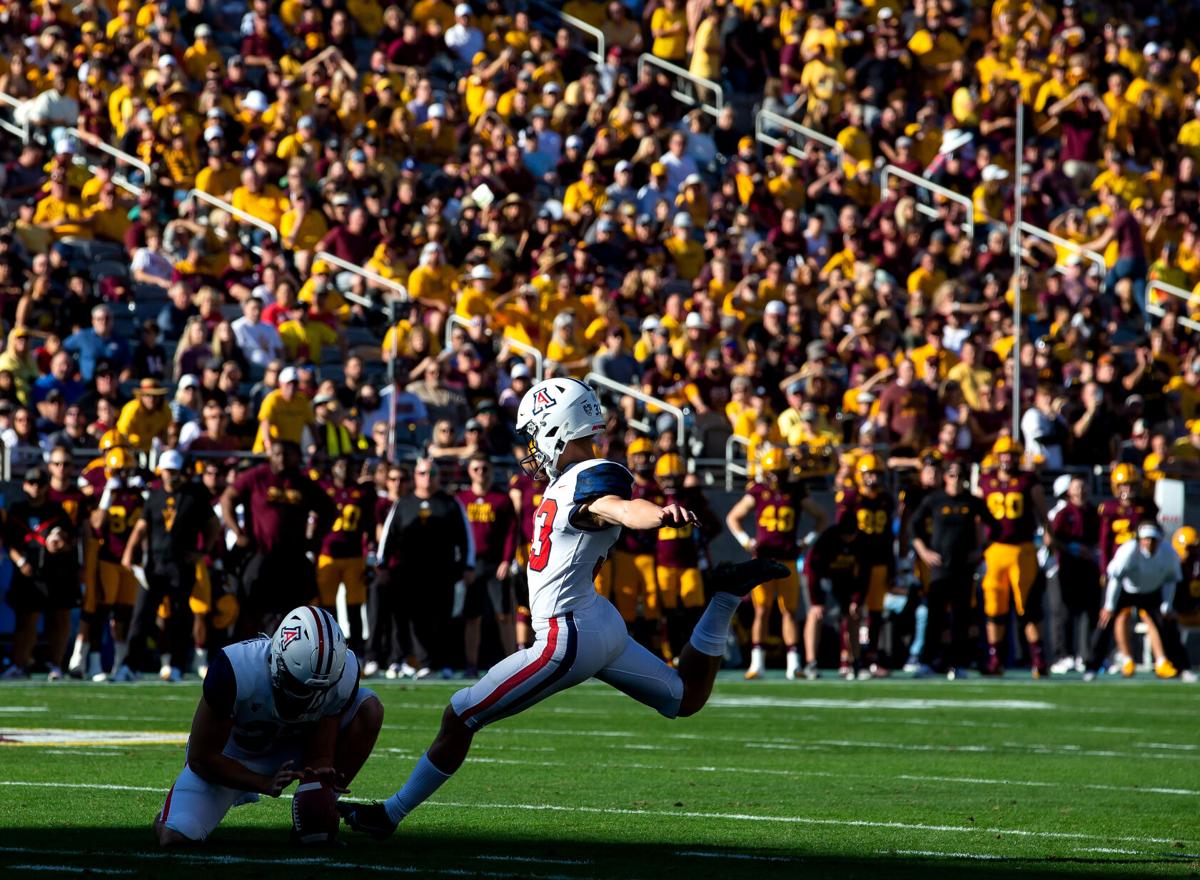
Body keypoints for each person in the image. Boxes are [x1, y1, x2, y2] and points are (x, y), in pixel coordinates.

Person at [339, 377, 785, 838]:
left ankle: (388, 815)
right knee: (685, 697)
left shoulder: (589, 479)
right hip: (599, 621)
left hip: (565, 636)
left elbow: (618, 508)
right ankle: (725, 597)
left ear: (557, 428)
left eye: (536, 433)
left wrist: (656, 514)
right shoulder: (570, 479)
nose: (532, 446)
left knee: (460, 715)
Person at [154, 607, 384, 845]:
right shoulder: (236, 669)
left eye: (319, 690)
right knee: (176, 836)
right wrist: (263, 782)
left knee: (369, 708)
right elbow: (201, 758)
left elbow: (322, 746)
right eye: (300, 687)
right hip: (233, 755)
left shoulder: (343, 675)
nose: (309, 699)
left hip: (294, 745)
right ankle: (170, 814)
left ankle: (319, 810)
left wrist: (319, 784)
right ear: (277, 662)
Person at [726, 447, 827, 680]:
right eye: (773, 473)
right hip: (763, 560)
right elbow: (733, 517)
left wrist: (808, 540)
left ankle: (793, 664)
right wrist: (745, 540)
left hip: (788, 559)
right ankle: (757, 664)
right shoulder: (757, 491)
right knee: (762, 610)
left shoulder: (796, 490)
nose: (776, 478)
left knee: (789, 611)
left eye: (780, 473)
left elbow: (822, 517)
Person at [123, 449, 221, 681]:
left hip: (180, 565)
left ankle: (177, 665)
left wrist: (202, 551)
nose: (171, 475)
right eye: (167, 470)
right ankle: (129, 665)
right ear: (161, 471)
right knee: (142, 614)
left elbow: (213, 525)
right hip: (154, 565)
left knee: (180, 615)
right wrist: (129, 552)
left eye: (174, 471)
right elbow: (141, 527)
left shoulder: (194, 496)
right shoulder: (154, 496)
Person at [220, 441, 335, 635]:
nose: (282, 459)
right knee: (250, 605)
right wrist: (238, 532)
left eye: (287, 455)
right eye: (277, 454)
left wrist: (314, 539)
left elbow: (329, 510)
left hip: (293, 556)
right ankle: (248, 648)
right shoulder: (256, 477)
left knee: (299, 608)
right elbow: (227, 498)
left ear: (297, 458)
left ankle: (291, 648)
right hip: (261, 553)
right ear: (270, 456)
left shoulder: (303, 482)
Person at [375, 458, 473, 678]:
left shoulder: (450, 503)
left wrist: (468, 565)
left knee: (442, 619)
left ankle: (441, 663)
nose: (427, 478)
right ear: (415, 477)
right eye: (422, 473)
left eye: (431, 473)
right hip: (409, 573)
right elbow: (388, 536)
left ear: (439, 477)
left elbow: (465, 536)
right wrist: (382, 564)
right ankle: (409, 661)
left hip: (442, 573)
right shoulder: (403, 503)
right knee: (408, 619)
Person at [976, 437, 1053, 677]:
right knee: (994, 607)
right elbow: (977, 517)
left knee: (1028, 607)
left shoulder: (1028, 480)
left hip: (1023, 549)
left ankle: (1038, 658)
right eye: (1003, 454)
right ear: (997, 457)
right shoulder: (985, 481)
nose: (1007, 459)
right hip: (995, 550)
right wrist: (978, 547)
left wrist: (1048, 536)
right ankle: (995, 659)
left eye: (1011, 454)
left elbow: (1042, 512)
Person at [909, 459, 987, 679]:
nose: (956, 480)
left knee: (961, 617)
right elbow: (913, 527)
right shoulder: (934, 500)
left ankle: (957, 663)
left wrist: (981, 551)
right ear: (945, 477)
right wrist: (924, 552)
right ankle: (927, 661)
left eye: (960, 476)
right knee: (934, 616)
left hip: (963, 567)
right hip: (940, 568)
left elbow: (995, 526)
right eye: (952, 475)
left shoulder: (972, 501)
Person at [1, 466, 78, 680]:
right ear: (25, 485)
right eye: (32, 483)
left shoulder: (56, 510)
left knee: (58, 619)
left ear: (46, 487)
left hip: (55, 571)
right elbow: (8, 541)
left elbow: (71, 538)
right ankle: (20, 663)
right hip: (28, 573)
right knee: (26, 620)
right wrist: (21, 561)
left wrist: (60, 541)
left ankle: (56, 665)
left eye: (40, 484)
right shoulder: (17, 510)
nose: (36, 488)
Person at [1083, 523, 1187, 681]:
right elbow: (1115, 578)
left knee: (1167, 624)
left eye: (1153, 540)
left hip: (1152, 591)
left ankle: (1182, 668)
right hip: (1125, 590)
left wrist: (1166, 606)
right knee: (1105, 623)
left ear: (1159, 541)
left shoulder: (1168, 553)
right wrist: (1109, 605)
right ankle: (1092, 667)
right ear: (1139, 540)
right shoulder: (1128, 551)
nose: (1149, 543)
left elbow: (1171, 579)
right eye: (1146, 539)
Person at [653, 453, 721, 661]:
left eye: (675, 478)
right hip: (664, 565)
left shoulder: (692, 499)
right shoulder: (652, 497)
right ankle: (671, 654)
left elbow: (714, 525)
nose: (670, 482)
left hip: (689, 563)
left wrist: (700, 542)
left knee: (694, 611)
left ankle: (693, 653)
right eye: (666, 478)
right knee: (669, 613)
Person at [456, 454, 518, 675]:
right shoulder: (461, 499)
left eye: (485, 468)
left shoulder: (502, 499)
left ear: (491, 470)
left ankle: (514, 665)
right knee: (472, 617)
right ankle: (471, 665)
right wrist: (463, 564)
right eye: (476, 468)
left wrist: (506, 560)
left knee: (504, 615)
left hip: (495, 564)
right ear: (470, 471)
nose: (481, 472)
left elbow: (512, 532)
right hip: (472, 565)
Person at [834, 453, 896, 675]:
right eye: (869, 474)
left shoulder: (886, 499)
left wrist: (892, 563)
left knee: (875, 613)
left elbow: (889, 534)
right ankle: (847, 656)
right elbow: (841, 529)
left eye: (877, 474)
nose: (873, 479)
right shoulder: (851, 497)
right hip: (857, 563)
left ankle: (871, 657)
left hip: (879, 560)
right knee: (852, 610)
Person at [88, 446, 146, 682]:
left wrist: (144, 493)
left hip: (131, 562)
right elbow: (96, 523)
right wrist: (107, 495)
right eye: (118, 470)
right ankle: (94, 663)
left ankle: (120, 665)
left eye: (126, 470)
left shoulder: (138, 494)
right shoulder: (103, 492)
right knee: (102, 611)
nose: (123, 475)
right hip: (108, 559)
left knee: (125, 613)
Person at [599, 438, 665, 647]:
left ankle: (656, 649)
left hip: (651, 554)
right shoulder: (623, 484)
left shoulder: (659, 487)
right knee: (624, 601)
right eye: (639, 456)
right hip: (625, 552)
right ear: (630, 458)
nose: (643, 460)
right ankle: (624, 646)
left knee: (653, 603)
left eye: (646, 455)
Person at [316, 457, 376, 655]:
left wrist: (371, 552)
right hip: (328, 555)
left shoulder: (363, 492)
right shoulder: (323, 489)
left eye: (348, 466)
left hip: (354, 556)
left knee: (354, 605)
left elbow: (370, 524)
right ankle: (329, 647)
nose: (344, 469)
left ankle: (357, 648)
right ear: (332, 468)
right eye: (340, 465)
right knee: (327, 606)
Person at [1049, 475, 1102, 675]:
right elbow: (1051, 539)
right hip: (1068, 568)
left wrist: (1093, 551)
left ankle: (1086, 655)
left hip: (1089, 568)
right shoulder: (1062, 513)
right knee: (1065, 613)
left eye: (1083, 487)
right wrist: (1073, 549)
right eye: (1076, 487)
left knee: (1090, 612)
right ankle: (1063, 655)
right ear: (1068, 492)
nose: (1080, 491)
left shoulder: (1094, 513)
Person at [804, 513, 863, 680]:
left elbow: (863, 574)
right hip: (820, 579)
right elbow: (812, 571)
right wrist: (816, 601)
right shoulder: (828, 539)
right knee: (815, 614)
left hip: (843, 581)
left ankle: (856, 662)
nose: (848, 538)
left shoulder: (861, 542)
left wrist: (856, 600)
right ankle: (811, 663)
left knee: (853, 615)